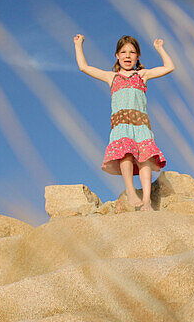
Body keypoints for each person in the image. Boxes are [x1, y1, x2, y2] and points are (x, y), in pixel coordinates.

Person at [74, 33, 174, 210]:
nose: (128, 56)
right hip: (121, 125)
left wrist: (160, 48)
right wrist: (78, 44)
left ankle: (147, 201)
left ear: (137, 57)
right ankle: (130, 190)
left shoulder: (142, 75)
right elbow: (84, 67)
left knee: (145, 160)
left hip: (141, 124)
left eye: (132, 52)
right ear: (117, 56)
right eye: (124, 52)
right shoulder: (112, 77)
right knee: (125, 153)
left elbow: (169, 67)